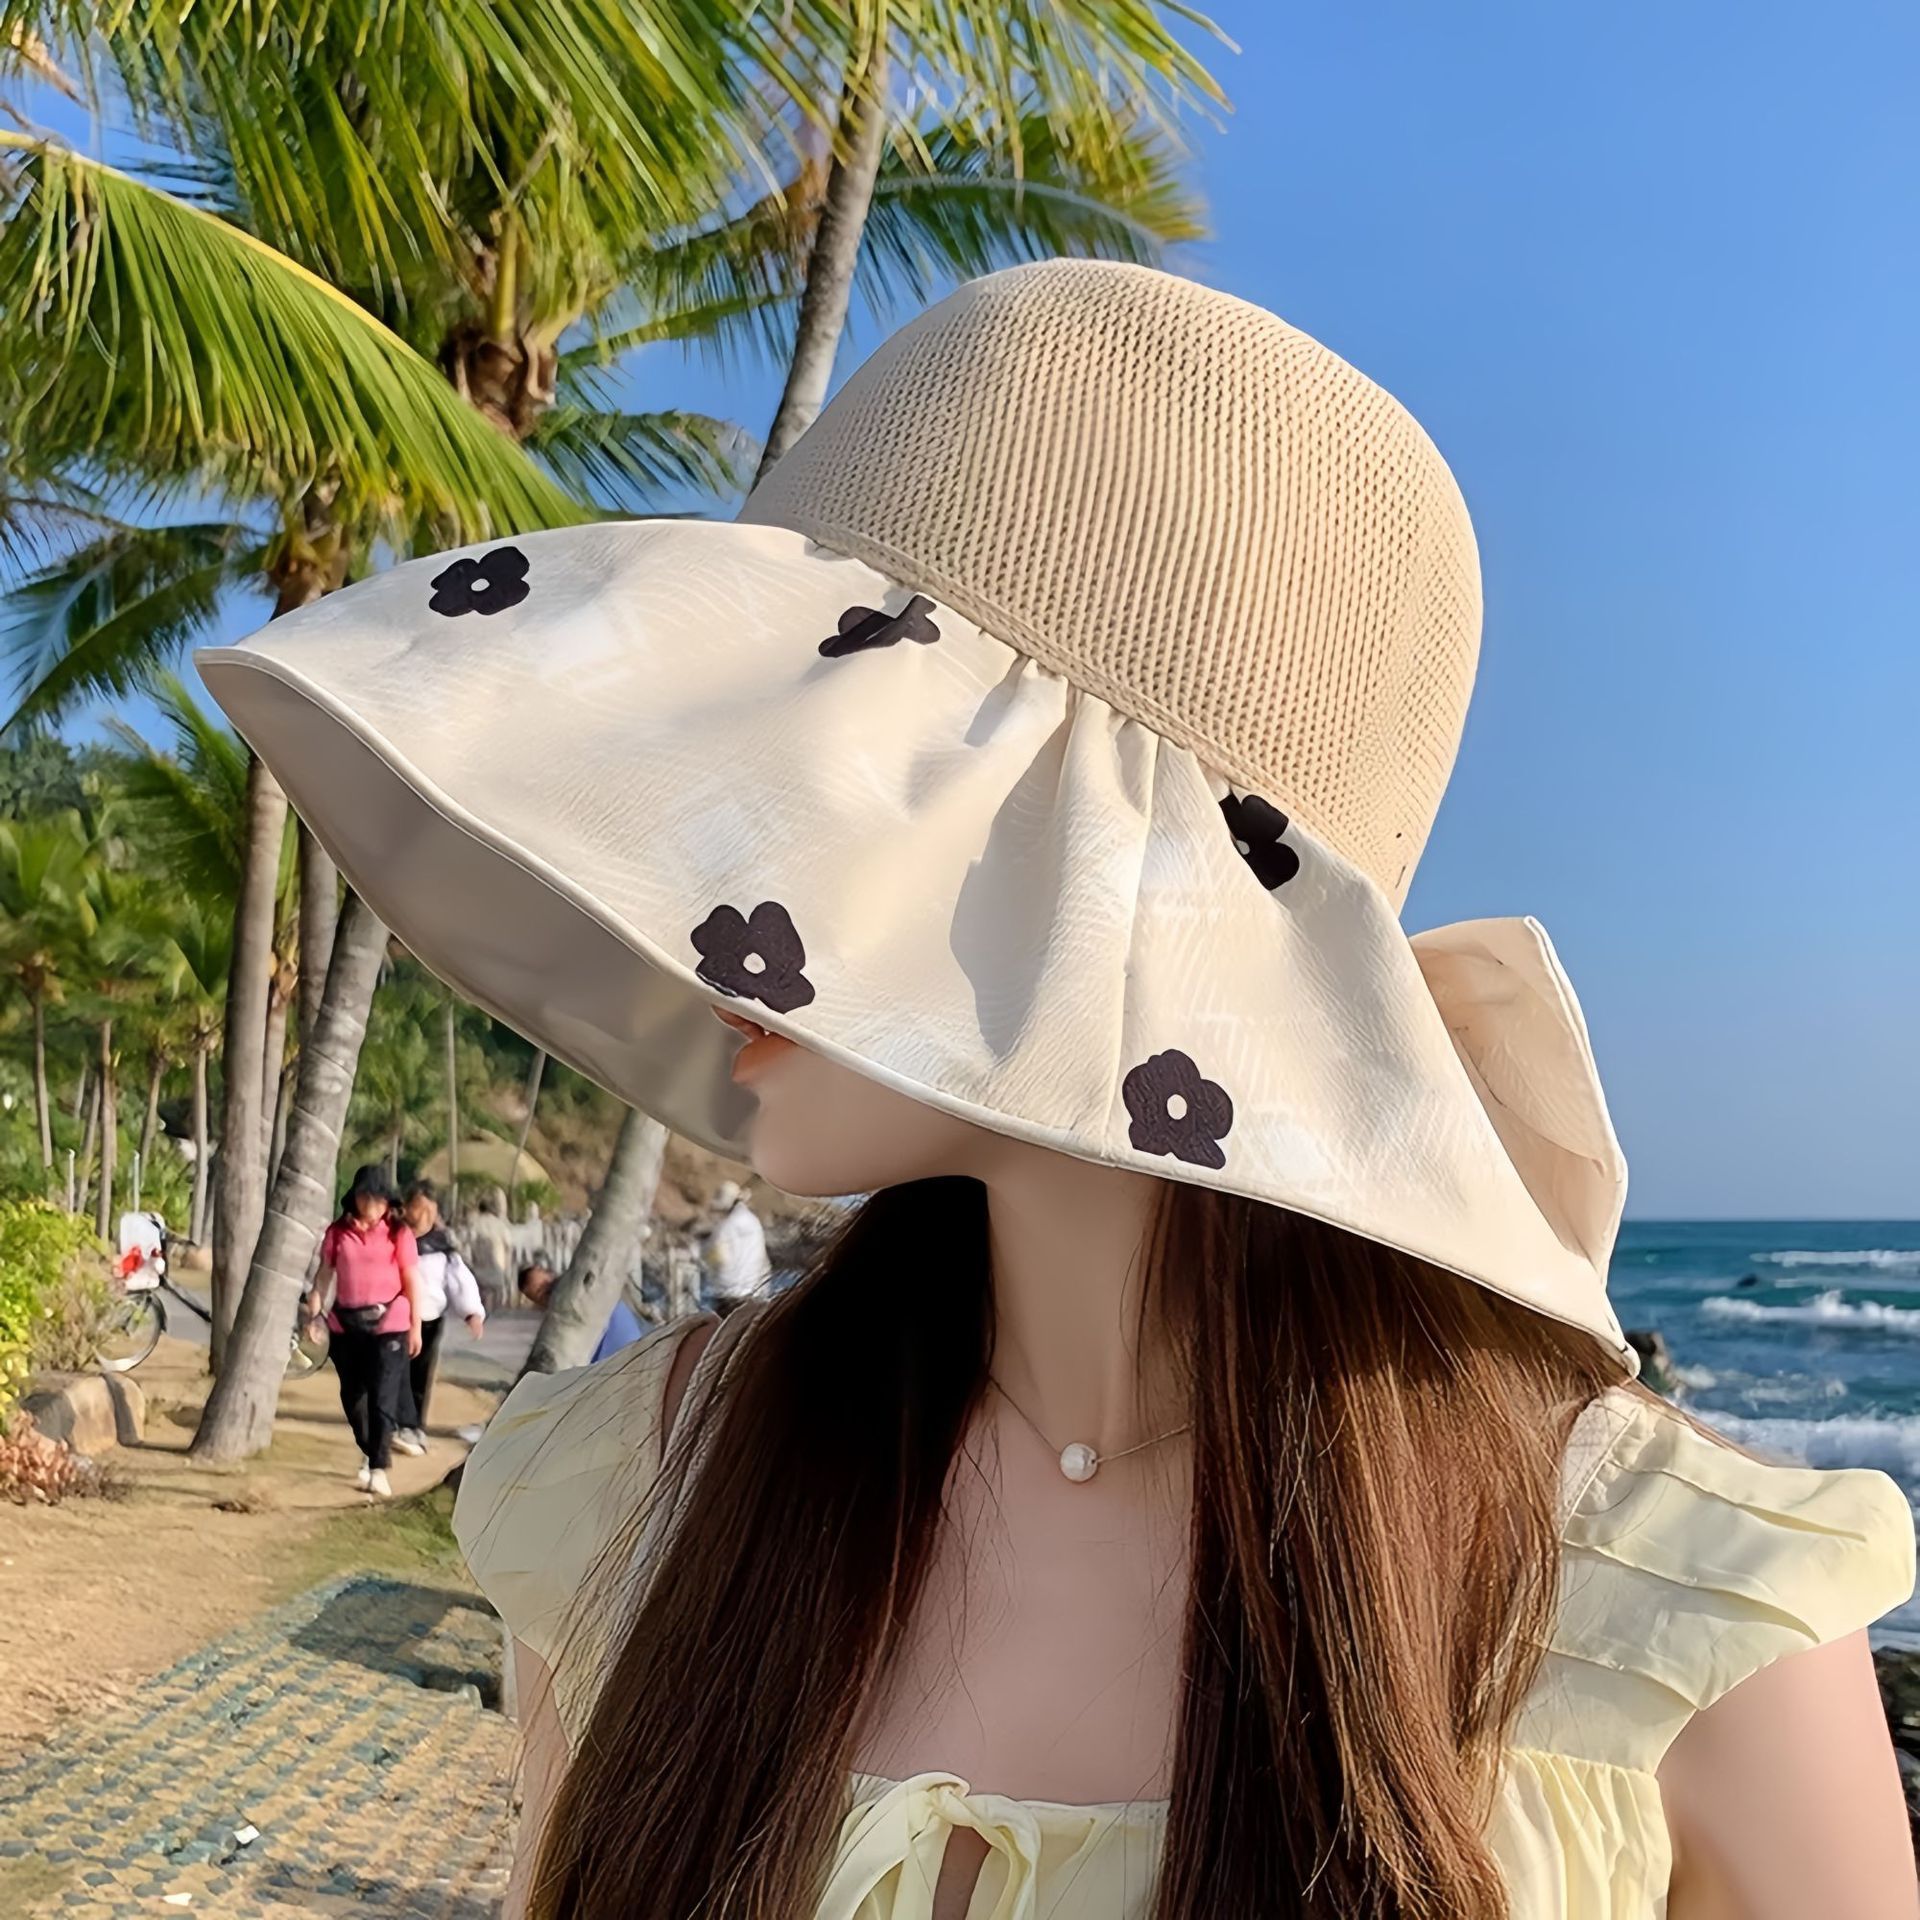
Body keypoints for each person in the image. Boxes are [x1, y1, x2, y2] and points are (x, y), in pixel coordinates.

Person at [210, 264, 1916, 1920]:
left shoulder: (1682, 1623)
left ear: (1109, 883)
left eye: (834, 795)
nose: (730, 893)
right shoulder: (632, 1495)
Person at [305, 1165, 421, 1498]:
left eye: (378, 1198)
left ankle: (379, 1468)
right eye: (365, 1196)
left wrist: (415, 1327)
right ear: (354, 1198)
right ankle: (371, 1451)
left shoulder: (399, 1234)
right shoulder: (337, 1233)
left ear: (388, 1202)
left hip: (391, 1322)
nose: (371, 1204)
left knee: (382, 1396)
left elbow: (412, 1281)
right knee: (354, 1399)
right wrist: (314, 1314)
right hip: (345, 1324)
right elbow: (324, 1276)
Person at [390, 1179, 486, 1455]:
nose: (424, 1216)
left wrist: (472, 1312)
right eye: (419, 1209)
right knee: (395, 1373)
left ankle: (414, 1426)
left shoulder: (442, 1246)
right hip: (396, 1318)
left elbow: (460, 1280)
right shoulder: (393, 1238)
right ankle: (393, 1424)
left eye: (430, 1211)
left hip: (429, 1319)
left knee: (420, 1375)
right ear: (407, 1207)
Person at [517, 1259, 647, 1364]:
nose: (552, 1291)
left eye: (548, 1285)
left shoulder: (579, 1292)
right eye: (543, 1293)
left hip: (620, 1360)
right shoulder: (585, 1285)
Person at [700, 1179, 769, 1317]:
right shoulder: (754, 1223)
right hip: (755, 1294)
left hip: (729, 1296)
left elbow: (719, 1258)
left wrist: (704, 1253)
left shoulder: (725, 1227)